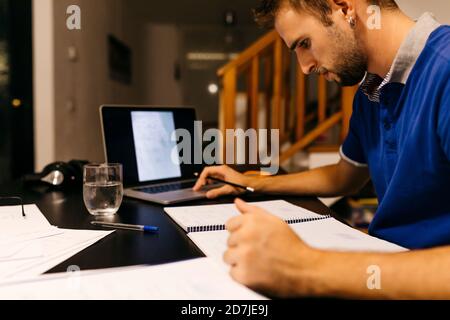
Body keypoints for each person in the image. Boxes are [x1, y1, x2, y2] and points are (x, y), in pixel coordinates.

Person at [193, 0, 450, 299]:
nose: (304, 68)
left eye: (305, 43)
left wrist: (303, 266)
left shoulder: (444, 69)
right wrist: (254, 183)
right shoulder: (370, 94)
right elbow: (344, 176)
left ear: (343, 7)